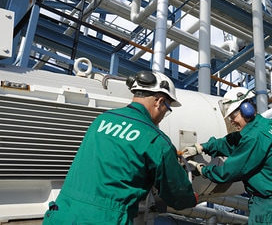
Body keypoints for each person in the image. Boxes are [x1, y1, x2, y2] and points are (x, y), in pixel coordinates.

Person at [43, 70, 197, 224]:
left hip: (62, 213)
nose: (164, 114)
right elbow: (178, 195)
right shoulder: (156, 140)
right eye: (167, 108)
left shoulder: (102, 120)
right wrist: (191, 198)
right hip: (105, 219)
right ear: (159, 101)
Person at [182, 87, 272, 224]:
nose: (231, 121)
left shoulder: (254, 137)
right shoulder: (265, 124)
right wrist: (203, 147)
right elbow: (231, 142)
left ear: (246, 109)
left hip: (269, 208)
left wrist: (202, 170)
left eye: (233, 116)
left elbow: (228, 172)